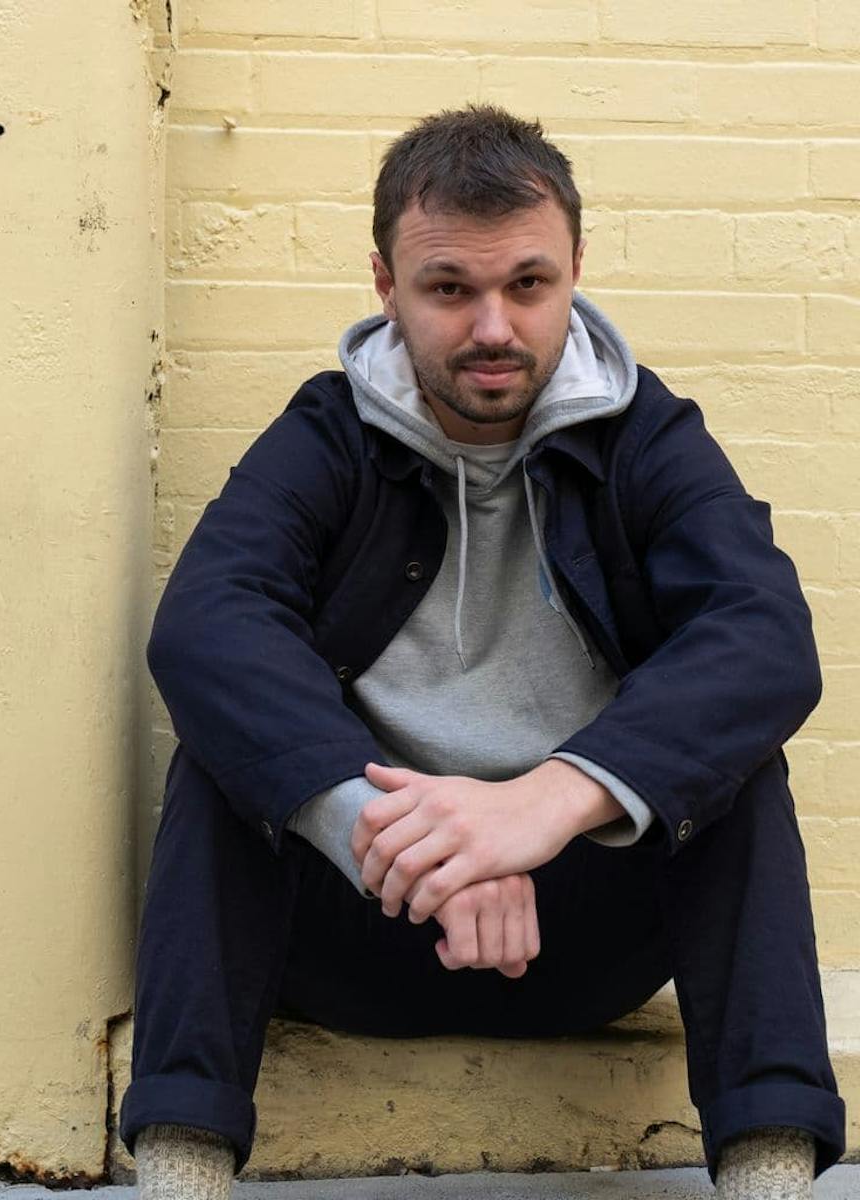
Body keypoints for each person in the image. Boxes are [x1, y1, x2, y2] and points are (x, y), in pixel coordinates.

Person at [118, 105, 846, 1200]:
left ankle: (770, 1177)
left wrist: (541, 808)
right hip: (362, 919)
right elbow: (207, 625)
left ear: (576, 270)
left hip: (578, 934)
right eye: (450, 288)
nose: (494, 326)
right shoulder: (330, 436)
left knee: (740, 774)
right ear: (386, 284)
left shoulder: (644, 436)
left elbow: (765, 637)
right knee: (219, 767)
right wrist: (397, 840)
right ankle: (181, 1172)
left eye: (528, 284)